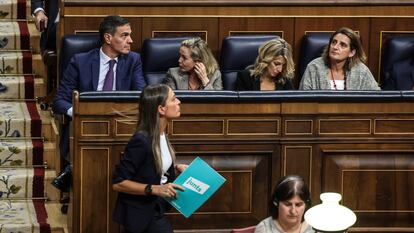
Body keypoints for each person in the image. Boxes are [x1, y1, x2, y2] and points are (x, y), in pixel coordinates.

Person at [52, 15, 146, 193]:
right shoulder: (80, 61)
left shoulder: (133, 60)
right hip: (86, 127)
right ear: (108, 38)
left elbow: (142, 96)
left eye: (130, 35)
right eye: (124, 35)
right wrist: (80, 113)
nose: (131, 40)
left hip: (121, 126)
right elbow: (60, 101)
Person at [113, 84, 188, 233]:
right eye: (173, 99)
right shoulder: (141, 141)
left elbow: (149, 167)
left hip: (156, 208)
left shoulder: (162, 135)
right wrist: (155, 189)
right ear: (161, 109)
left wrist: (175, 168)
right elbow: (118, 183)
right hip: (140, 214)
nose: (179, 102)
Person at [299, 27, 380, 90]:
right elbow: (303, 101)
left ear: (351, 52)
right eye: (334, 42)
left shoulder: (361, 71)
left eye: (342, 45)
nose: (335, 47)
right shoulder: (314, 68)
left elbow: (376, 98)